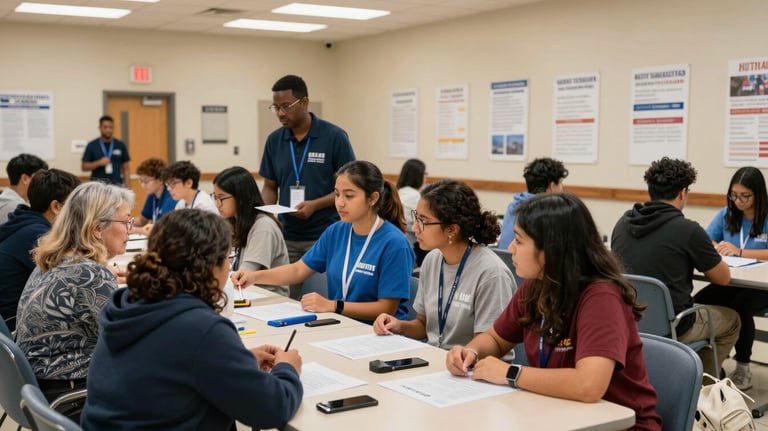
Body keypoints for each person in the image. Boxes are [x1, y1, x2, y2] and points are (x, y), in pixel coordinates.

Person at [447, 192, 662, 431]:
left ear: (551, 249)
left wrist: (511, 373)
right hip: (556, 413)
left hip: (614, 425)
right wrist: (471, 352)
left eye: (519, 240)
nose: (510, 248)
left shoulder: (601, 297)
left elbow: (588, 385)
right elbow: (496, 339)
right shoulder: (537, 285)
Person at [81, 209, 303, 431]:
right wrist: (287, 368)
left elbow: (171, 365)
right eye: (228, 258)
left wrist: (236, 363)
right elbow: (271, 409)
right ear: (210, 266)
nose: (229, 266)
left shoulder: (127, 302)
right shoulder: (201, 329)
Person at [233, 160, 414, 324]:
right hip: (340, 324)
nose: (340, 203)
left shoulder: (394, 243)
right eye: (337, 195)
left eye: (349, 196)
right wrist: (254, 277)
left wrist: (334, 306)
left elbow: (386, 308)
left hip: (381, 333)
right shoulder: (337, 231)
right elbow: (298, 270)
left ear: (373, 198)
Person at [14, 181, 134, 421]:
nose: (130, 229)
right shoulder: (88, 274)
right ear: (97, 229)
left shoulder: (57, 260)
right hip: (73, 395)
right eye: (126, 221)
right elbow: (130, 342)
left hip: (44, 391)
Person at [611, 157, 739, 377]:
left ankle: (685, 375)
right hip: (676, 325)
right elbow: (723, 278)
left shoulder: (622, 224)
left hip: (628, 319)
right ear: (682, 193)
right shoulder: (687, 230)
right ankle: (701, 384)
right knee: (733, 321)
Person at [373, 179, 516, 349]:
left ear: (451, 230)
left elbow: (490, 345)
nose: (416, 228)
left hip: (473, 367)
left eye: (423, 221)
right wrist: (398, 326)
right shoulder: (432, 260)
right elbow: (423, 326)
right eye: (416, 218)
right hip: (437, 361)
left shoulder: (491, 274)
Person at [259, 74, 356, 299]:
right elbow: (269, 186)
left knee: (325, 297)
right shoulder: (275, 140)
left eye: (286, 106)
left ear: (304, 103)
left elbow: (351, 189)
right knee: (288, 298)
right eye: (276, 108)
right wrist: (267, 216)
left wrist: (316, 205)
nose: (281, 114)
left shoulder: (334, 137)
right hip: (287, 234)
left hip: (325, 234)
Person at [693, 166, 768, 390]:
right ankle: (707, 362)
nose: (738, 201)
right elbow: (707, 242)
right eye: (734, 195)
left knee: (740, 307)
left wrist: (740, 252)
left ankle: (743, 367)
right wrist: (719, 247)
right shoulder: (726, 214)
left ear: (758, 195)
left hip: (762, 287)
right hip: (734, 279)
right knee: (700, 300)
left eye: (745, 196)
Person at [0, 169, 80, 330]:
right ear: (56, 206)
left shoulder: (24, 222)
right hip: (16, 325)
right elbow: (71, 282)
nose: (80, 213)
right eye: (76, 206)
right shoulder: (39, 236)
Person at [213, 166, 290, 296]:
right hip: (245, 294)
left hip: (269, 298)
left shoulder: (263, 227)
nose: (217, 204)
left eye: (221, 198)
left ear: (240, 197)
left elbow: (244, 274)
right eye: (214, 197)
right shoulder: (232, 223)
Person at [497, 157, 568, 250]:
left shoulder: (514, 205)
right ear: (552, 186)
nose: (562, 187)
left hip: (504, 260)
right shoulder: (547, 211)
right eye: (560, 182)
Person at [81, 115, 131, 187]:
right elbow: (84, 167)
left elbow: (125, 168)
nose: (108, 130)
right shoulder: (92, 145)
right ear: (100, 128)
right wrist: (98, 163)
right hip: (97, 186)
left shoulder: (120, 145)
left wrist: (128, 187)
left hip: (116, 186)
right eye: (105, 127)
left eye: (111, 127)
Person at [396, 158, 428, 266]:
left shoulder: (398, 192)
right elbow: (420, 225)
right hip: (407, 246)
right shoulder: (415, 196)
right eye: (425, 174)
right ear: (419, 176)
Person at [133, 157, 177, 235]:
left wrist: (131, 230)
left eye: (146, 181)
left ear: (160, 180)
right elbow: (141, 221)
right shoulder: (152, 196)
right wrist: (125, 221)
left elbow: (162, 228)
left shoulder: (170, 197)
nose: (143, 185)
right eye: (141, 181)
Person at [0, 153, 48, 222]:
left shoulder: (4, 199)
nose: (43, 183)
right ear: (25, 179)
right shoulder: (18, 209)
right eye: (40, 178)